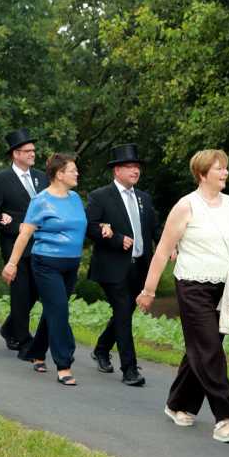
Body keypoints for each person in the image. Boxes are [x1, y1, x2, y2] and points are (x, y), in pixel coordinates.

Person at [136, 149, 229, 443]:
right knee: (209, 349)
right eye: (219, 168)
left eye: (226, 168)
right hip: (193, 286)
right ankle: (224, 418)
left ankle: (178, 404)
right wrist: (149, 290)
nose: (225, 173)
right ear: (202, 174)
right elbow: (162, 250)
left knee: (202, 347)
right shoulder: (186, 206)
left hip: (223, 287)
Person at [1, 153, 87, 386]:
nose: (77, 173)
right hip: (46, 263)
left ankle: (37, 352)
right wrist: (12, 263)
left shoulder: (75, 198)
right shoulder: (40, 201)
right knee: (59, 311)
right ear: (59, 174)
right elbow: (25, 234)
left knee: (53, 311)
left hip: (71, 263)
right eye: (73, 170)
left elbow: (80, 227)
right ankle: (64, 364)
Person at [86, 144, 159, 387]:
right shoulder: (100, 196)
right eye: (129, 166)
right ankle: (129, 369)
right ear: (117, 170)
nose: (135, 171)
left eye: (137, 167)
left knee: (124, 312)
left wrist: (169, 246)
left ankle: (101, 348)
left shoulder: (144, 198)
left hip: (140, 267)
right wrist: (116, 239)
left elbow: (154, 228)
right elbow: (90, 227)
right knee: (123, 312)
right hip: (112, 266)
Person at [0, 129, 48, 358]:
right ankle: (23, 340)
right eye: (28, 151)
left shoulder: (42, 177)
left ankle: (9, 328)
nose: (33, 154)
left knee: (34, 292)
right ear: (16, 154)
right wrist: (15, 226)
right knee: (21, 292)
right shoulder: (0, 180)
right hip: (15, 245)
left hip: (42, 244)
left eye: (33, 150)